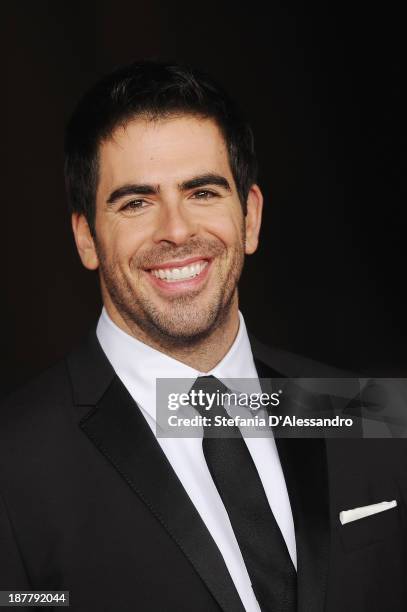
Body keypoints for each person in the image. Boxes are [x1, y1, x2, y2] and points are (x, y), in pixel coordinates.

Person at [0, 60, 406, 612]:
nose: (176, 230)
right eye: (136, 202)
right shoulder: (14, 464)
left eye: (203, 192)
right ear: (87, 238)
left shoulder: (364, 410)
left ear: (251, 218)